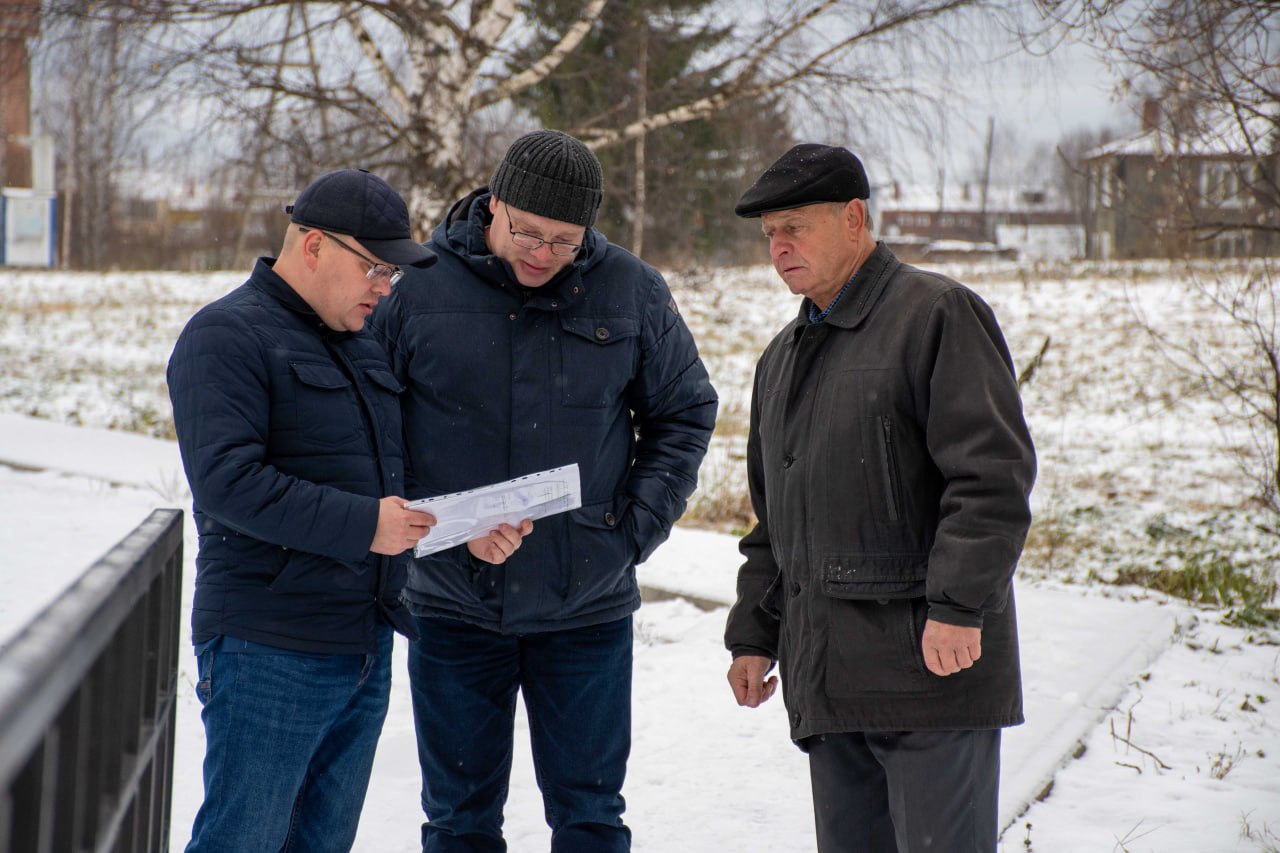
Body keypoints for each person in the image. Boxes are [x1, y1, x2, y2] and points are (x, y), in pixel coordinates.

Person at [369, 129, 718, 852]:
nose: (541, 253)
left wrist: (625, 535)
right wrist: (439, 525)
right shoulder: (417, 288)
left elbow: (684, 411)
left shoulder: (630, 288)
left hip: (585, 607)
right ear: (493, 206)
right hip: (451, 603)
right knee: (459, 821)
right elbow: (370, 430)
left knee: (590, 816)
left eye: (564, 241)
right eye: (527, 232)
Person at [723, 144, 1037, 853]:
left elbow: (989, 478)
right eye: (770, 233)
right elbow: (777, 520)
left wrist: (958, 604)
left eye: (795, 227)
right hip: (830, 683)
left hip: (931, 678)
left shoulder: (937, 315)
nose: (779, 248)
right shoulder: (781, 359)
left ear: (855, 218)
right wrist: (753, 632)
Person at [168, 168, 472, 852]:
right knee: (243, 840)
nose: (383, 287)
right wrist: (370, 525)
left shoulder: (361, 345)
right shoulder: (225, 337)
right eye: (374, 268)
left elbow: (386, 476)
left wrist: (459, 528)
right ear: (312, 246)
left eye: (392, 274)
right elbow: (228, 482)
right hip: (267, 646)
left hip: (362, 643)